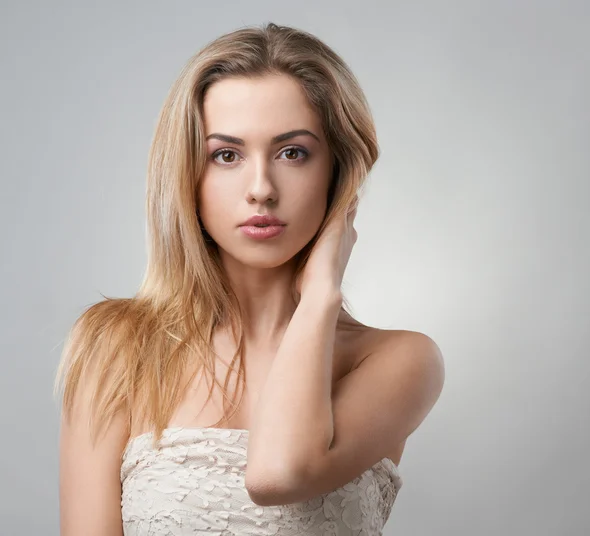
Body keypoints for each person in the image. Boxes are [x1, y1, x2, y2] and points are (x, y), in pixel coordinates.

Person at [54, 22, 445, 535]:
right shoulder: (117, 349)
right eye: (227, 155)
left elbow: (279, 474)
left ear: (338, 173)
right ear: (188, 173)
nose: (261, 188)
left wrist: (320, 296)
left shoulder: (400, 361)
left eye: (292, 152)